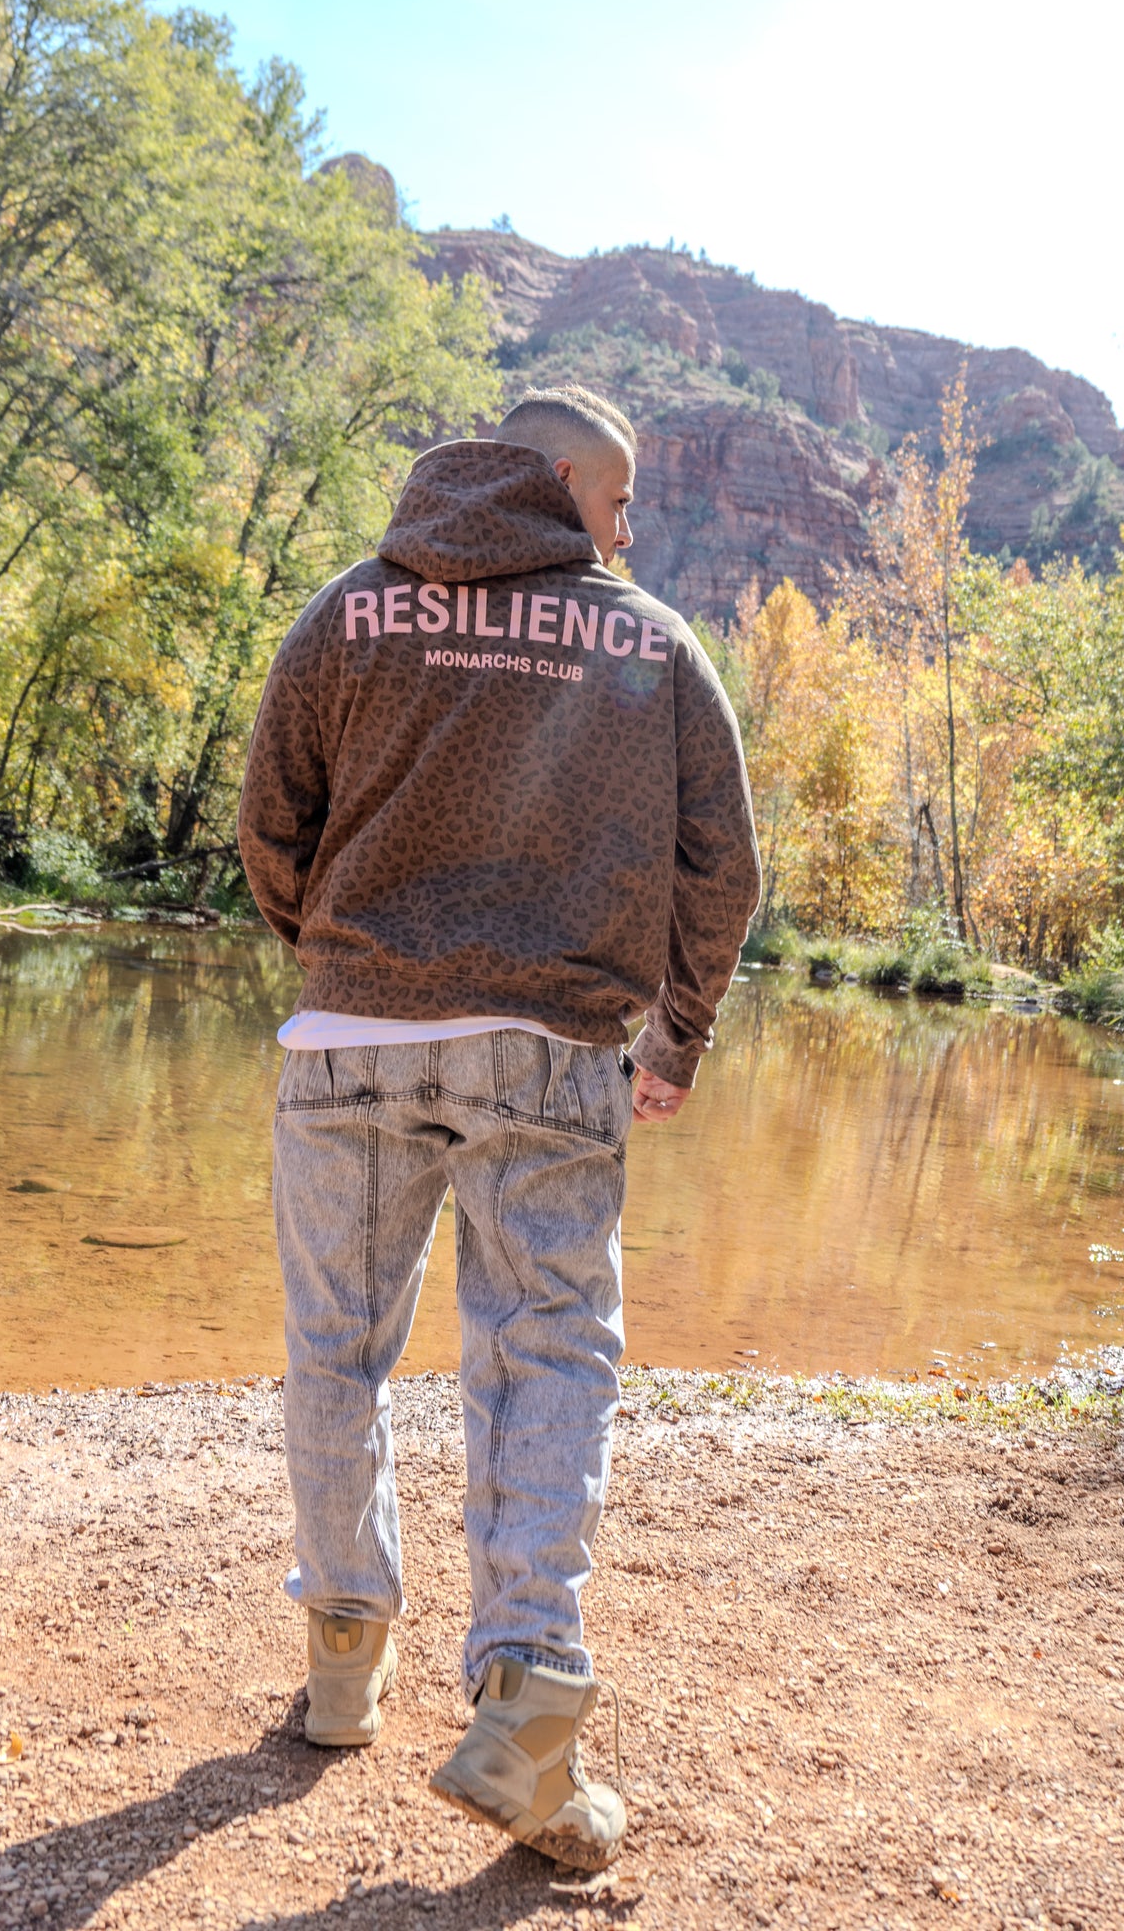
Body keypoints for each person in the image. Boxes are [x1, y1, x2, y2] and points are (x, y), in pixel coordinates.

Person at [238, 383, 760, 1871]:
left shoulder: (349, 610)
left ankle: (345, 1665)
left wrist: (347, 962)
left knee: (336, 1346)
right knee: (543, 1350)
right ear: (551, 480)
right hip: (551, 1053)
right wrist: (674, 1032)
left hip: (348, 1042)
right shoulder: (649, 639)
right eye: (616, 496)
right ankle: (525, 1691)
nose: (630, 525)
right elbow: (719, 868)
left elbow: (271, 818)